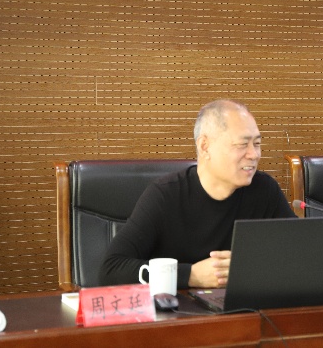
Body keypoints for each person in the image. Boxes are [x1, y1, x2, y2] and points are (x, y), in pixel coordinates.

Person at [98, 99, 296, 289]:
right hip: (178, 308)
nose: (254, 154)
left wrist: (252, 267)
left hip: (243, 306)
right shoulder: (166, 195)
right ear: (205, 146)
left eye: (257, 144)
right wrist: (191, 275)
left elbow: (299, 255)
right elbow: (111, 270)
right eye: (242, 144)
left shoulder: (264, 190)